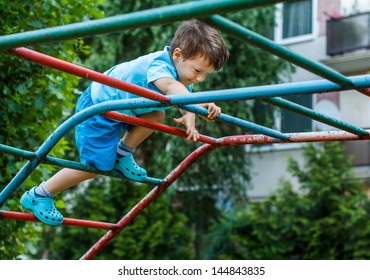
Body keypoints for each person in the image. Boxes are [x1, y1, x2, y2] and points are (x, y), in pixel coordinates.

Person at [20, 19, 229, 226]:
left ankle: (122, 155)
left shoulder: (183, 79)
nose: (200, 79)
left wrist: (198, 113)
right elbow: (173, 90)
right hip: (98, 108)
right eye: (197, 71)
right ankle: (40, 194)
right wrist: (196, 108)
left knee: (157, 116)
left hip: (122, 110)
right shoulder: (160, 67)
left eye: (206, 74)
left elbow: (184, 99)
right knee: (94, 167)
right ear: (177, 54)